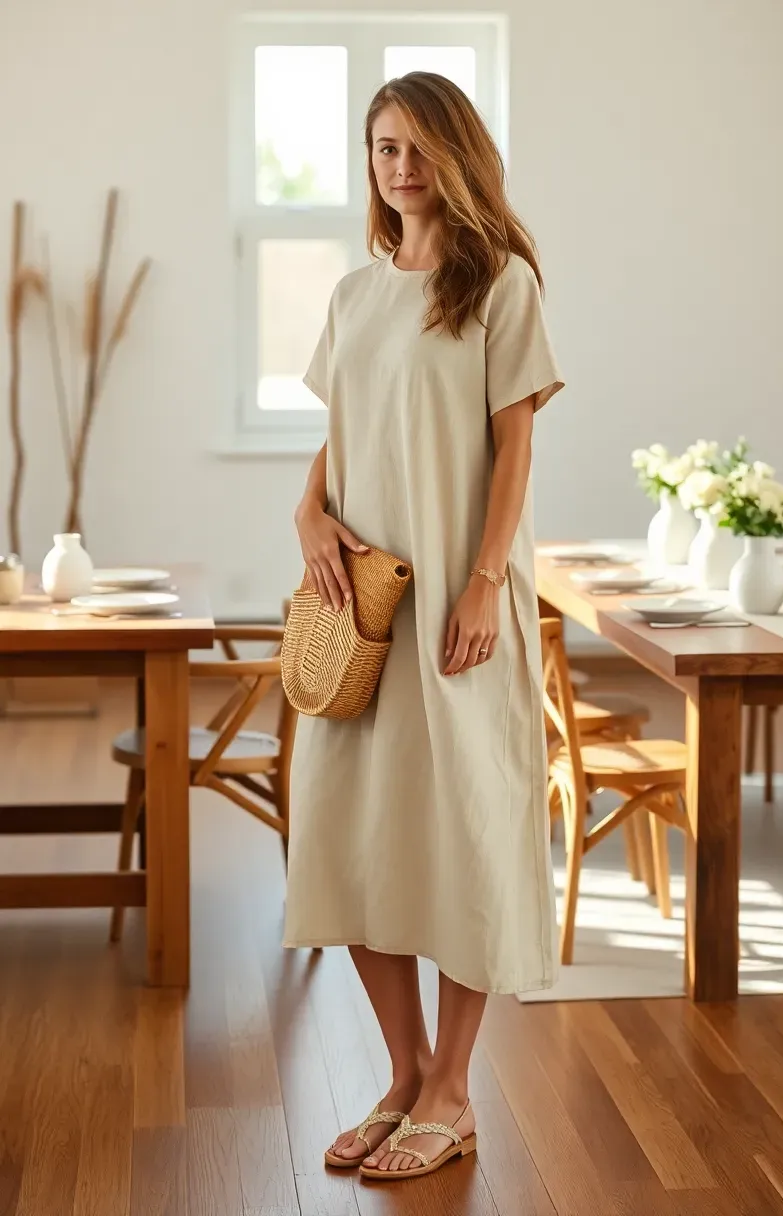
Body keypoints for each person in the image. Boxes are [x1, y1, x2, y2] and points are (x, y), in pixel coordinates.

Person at [284, 70, 564, 1181]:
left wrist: (487, 579)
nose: (400, 167)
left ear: (456, 155)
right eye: (383, 148)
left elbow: (514, 446)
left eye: (418, 147)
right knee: (352, 830)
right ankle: (402, 1076)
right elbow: (342, 431)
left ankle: (454, 1089)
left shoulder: (499, 285)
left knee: (465, 832)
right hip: (362, 603)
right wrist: (307, 509)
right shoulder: (355, 295)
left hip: (458, 598)